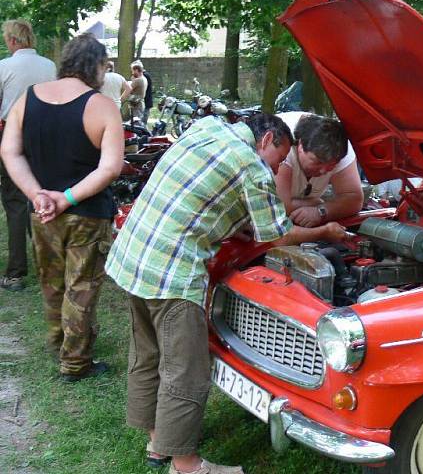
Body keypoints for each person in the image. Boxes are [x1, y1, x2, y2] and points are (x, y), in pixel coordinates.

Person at [104, 113, 347, 474]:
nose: (278, 167)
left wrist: (239, 222)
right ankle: (186, 465)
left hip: (135, 256)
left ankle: (157, 442)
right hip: (173, 273)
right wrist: (325, 231)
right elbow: (277, 236)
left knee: (147, 354)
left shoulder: (208, 128)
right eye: (279, 159)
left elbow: (208, 193)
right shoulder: (252, 166)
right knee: (187, 371)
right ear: (266, 140)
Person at [0, 33, 123, 380]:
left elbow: (9, 150)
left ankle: (59, 342)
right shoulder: (101, 106)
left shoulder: (28, 98)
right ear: (96, 65)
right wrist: (65, 197)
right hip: (87, 213)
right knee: (80, 287)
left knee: (52, 282)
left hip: (44, 212)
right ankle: (74, 362)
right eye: (105, 66)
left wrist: (39, 194)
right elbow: (110, 167)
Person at [0, 19, 57, 291]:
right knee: (40, 196)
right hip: (45, 137)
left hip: (12, 135)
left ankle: (16, 273)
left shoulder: (4, 67)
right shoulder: (49, 66)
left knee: (14, 201)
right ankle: (47, 264)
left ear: (12, 40)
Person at [276, 111, 363, 227]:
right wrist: (315, 202)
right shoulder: (281, 145)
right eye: (318, 162)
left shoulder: (343, 150)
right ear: (300, 146)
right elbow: (279, 207)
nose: (323, 171)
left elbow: (354, 199)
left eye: (332, 165)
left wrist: (321, 211)